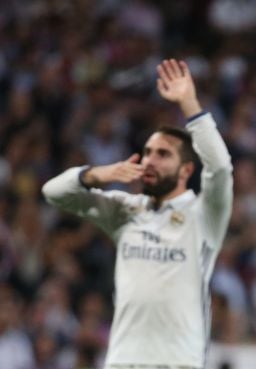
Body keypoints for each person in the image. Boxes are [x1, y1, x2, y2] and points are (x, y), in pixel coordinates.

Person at [42, 59, 233, 369]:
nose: (150, 160)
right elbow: (53, 192)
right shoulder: (125, 210)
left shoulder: (204, 216)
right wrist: (98, 175)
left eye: (163, 154)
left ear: (186, 170)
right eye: (147, 152)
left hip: (179, 362)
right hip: (123, 361)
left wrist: (189, 104)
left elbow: (221, 168)